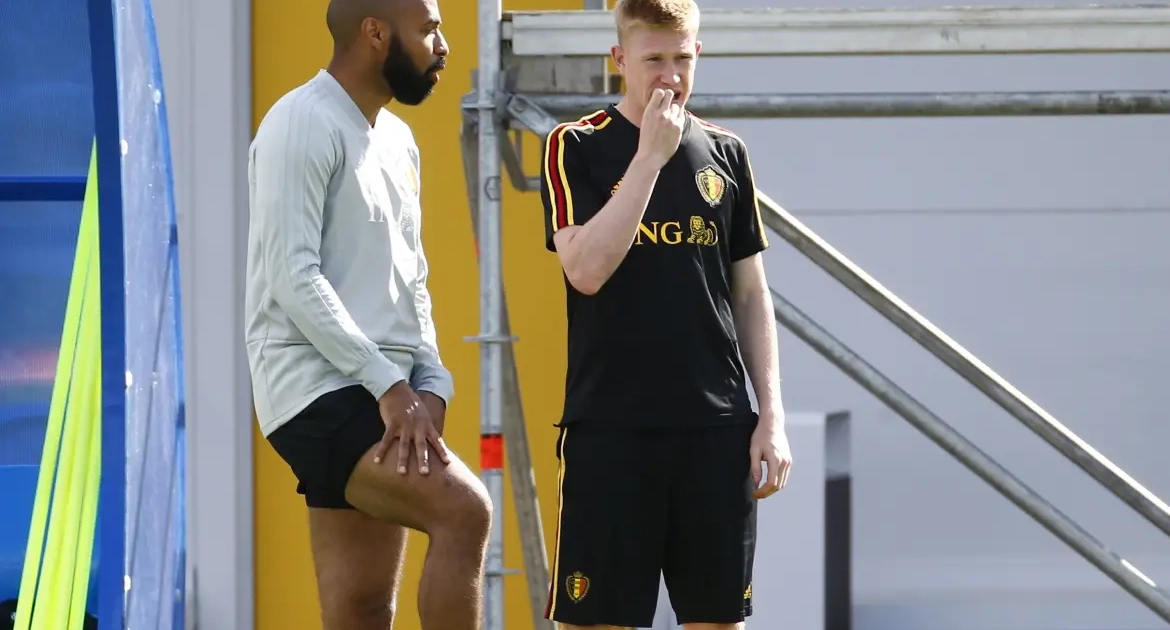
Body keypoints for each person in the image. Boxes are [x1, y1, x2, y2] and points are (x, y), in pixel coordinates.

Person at [538, 0, 794, 628]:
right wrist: (649, 158)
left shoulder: (726, 152)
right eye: (653, 59)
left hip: (715, 430)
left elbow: (750, 293)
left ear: (698, 53)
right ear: (619, 59)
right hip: (612, 430)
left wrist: (772, 416)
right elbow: (586, 270)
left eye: (682, 58)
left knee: (718, 620)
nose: (670, 76)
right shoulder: (576, 145)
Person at [244, 1, 491, 629]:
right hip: (317, 392)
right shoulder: (300, 121)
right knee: (464, 512)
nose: (443, 46)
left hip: (382, 393)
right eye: (428, 30)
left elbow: (413, 280)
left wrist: (431, 381)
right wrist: (389, 386)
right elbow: (293, 277)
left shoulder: (399, 139)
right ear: (375, 33)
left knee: (361, 607)